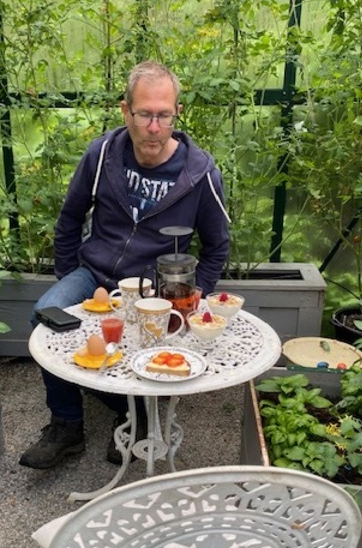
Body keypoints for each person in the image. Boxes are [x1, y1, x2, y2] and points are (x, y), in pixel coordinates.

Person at [19, 60, 230, 470]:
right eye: (145, 114)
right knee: (45, 317)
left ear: (176, 113)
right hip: (93, 273)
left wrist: (193, 296)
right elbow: (69, 218)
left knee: (142, 345)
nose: (154, 126)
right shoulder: (101, 156)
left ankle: (134, 415)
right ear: (125, 111)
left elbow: (218, 245)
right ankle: (67, 425)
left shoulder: (200, 173)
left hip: (154, 288)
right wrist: (69, 277)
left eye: (163, 114)